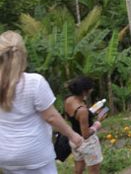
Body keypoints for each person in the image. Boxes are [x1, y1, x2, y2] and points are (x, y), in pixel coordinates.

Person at [0, 30, 84, 174]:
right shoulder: (34, 82)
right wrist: (73, 135)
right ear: (22, 55)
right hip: (35, 154)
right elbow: (50, 117)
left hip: (6, 156)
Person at [64, 76, 106, 174]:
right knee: (94, 170)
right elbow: (86, 134)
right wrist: (97, 124)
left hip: (74, 139)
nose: (91, 91)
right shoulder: (82, 110)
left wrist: (90, 113)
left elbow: (76, 119)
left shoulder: (68, 100)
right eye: (90, 89)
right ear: (84, 91)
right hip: (87, 144)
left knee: (78, 169)